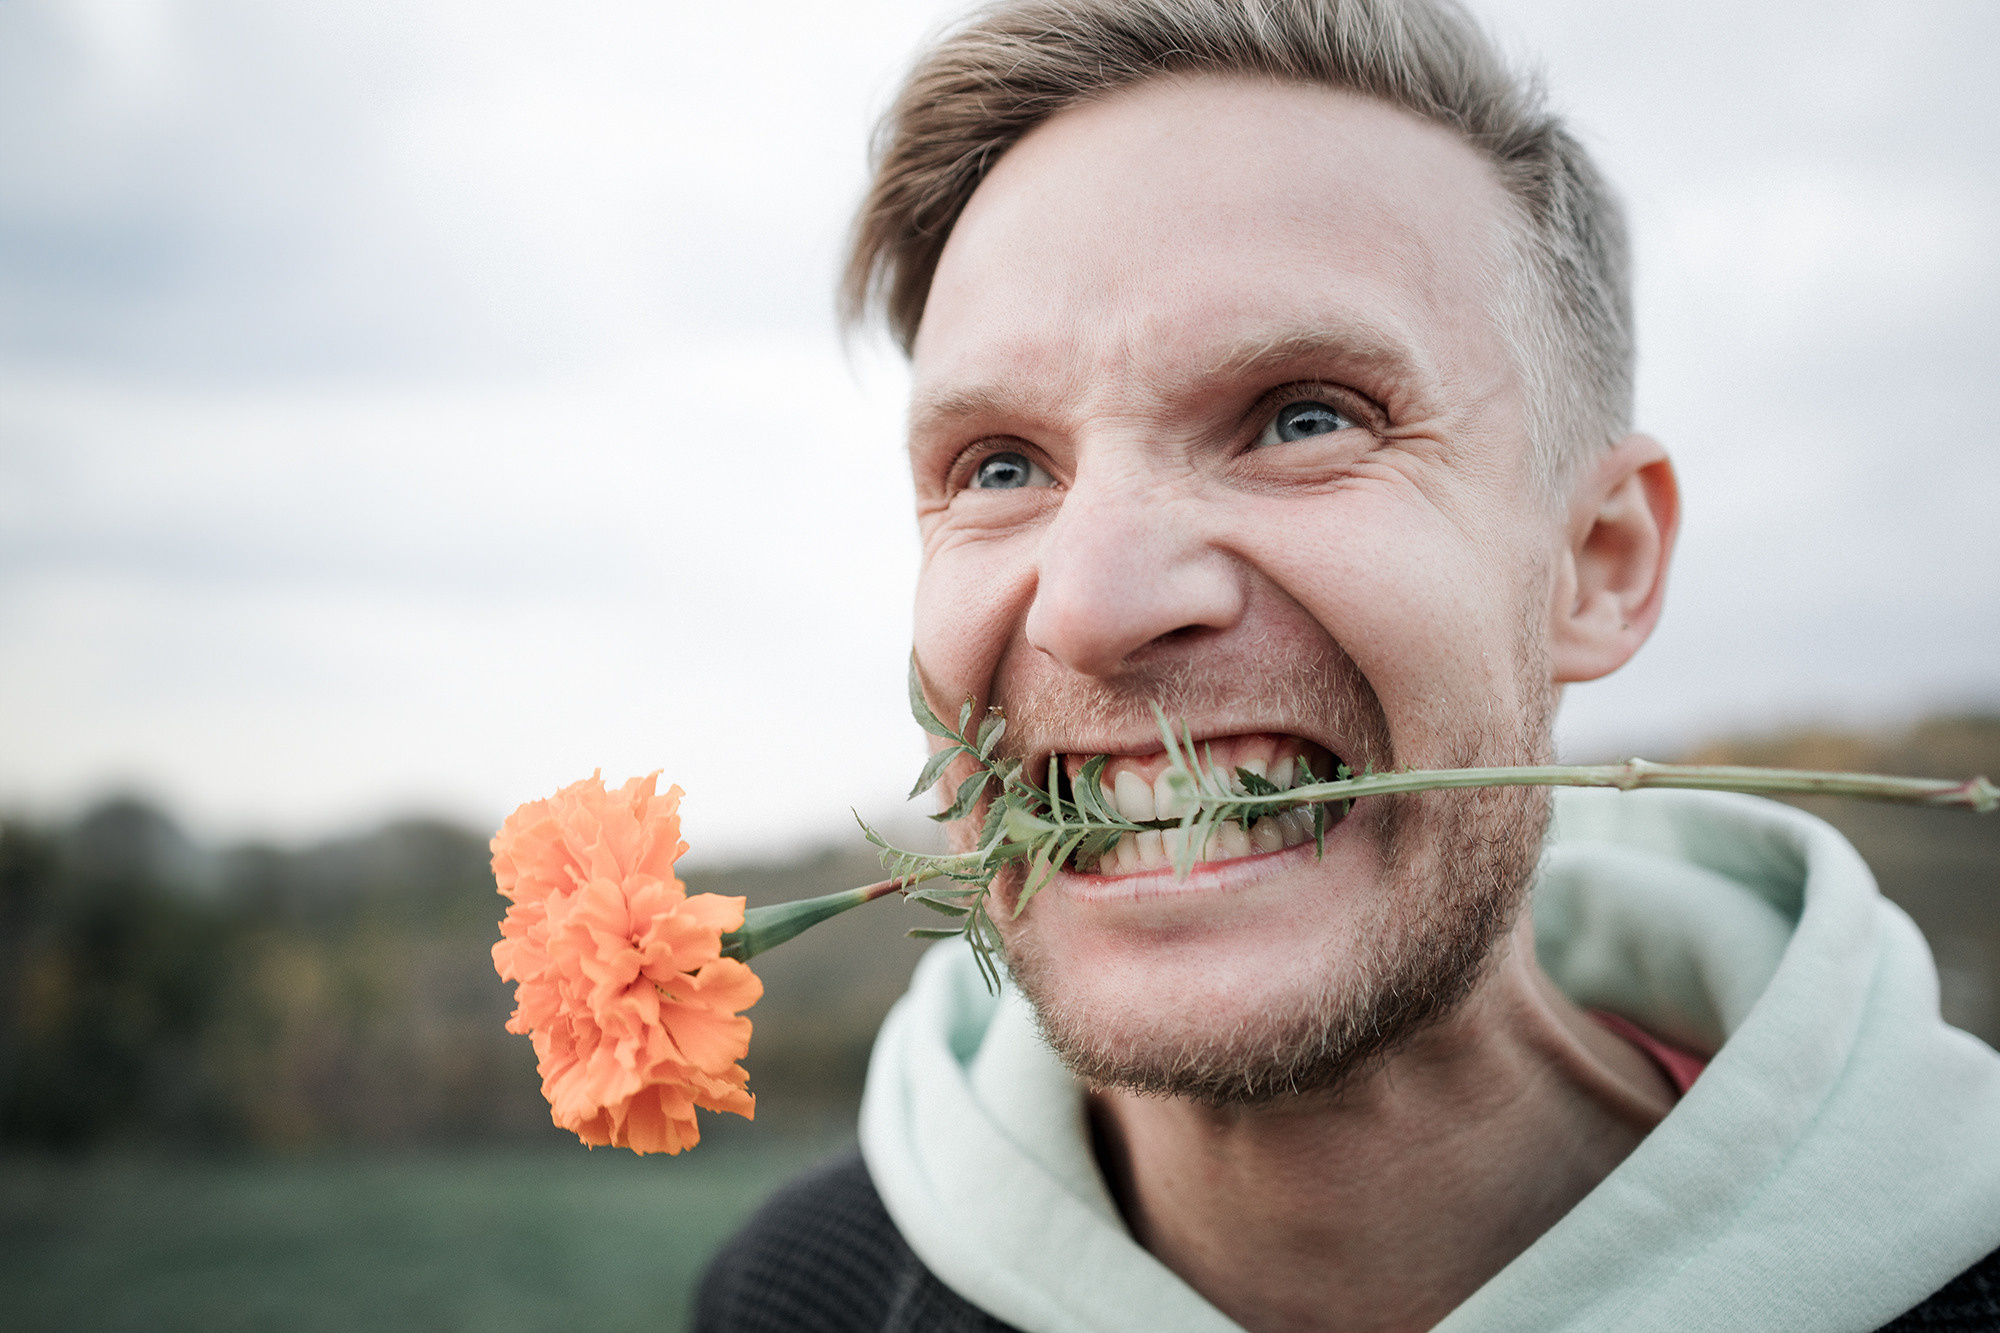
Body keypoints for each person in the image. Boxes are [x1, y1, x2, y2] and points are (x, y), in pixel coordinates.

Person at [696, 1, 2000, 1328]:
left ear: (1598, 563)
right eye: (1002, 466)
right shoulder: (793, 1296)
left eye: (1304, 418)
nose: (1089, 605)